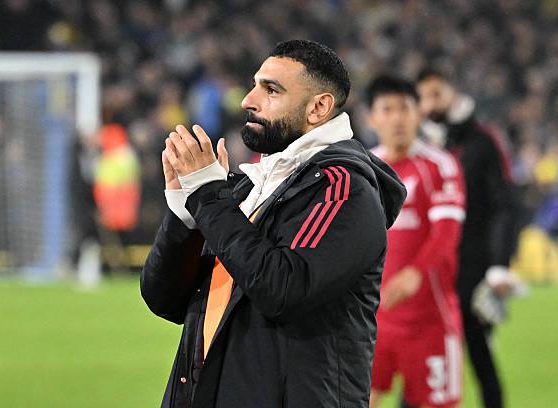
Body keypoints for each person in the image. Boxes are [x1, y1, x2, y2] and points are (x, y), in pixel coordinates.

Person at [140, 40, 406, 408]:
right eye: (254, 85)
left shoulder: (343, 189)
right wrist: (184, 214)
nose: (248, 100)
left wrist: (208, 196)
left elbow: (283, 289)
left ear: (318, 107)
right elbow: (165, 300)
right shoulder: (252, 186)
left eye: (271, 90)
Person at [416, 68, 518, 408]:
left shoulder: (483, 142)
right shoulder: (420, 147)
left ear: (453, 93)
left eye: (436, 94)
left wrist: (499, 265)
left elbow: (505, 205)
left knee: (478, 356)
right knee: (423, 357)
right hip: (429, 271)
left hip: (471, 272)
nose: (430, 104)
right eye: (423, 97)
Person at [365, 76, 466, 408]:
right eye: (387, 109)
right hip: (373, 320)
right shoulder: (363, 169)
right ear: (372, 118)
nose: (398, 118)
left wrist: (416, 272)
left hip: (429, 321)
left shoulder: (439, 165)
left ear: (418, 113)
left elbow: (447, 232)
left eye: (405, 108)